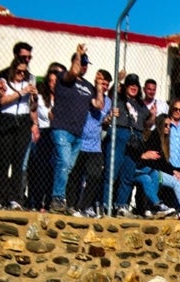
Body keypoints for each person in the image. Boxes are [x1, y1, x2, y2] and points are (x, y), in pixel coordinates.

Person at [49, 44, 104, 213]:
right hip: (62, 129)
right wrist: (79, 55)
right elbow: (73, 72)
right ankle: (57, 199)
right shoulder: (64, 77)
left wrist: (99, 87)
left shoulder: (88, 86)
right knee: (64, 164)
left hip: (77, 134)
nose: (84, 67)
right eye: (82, 63)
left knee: (69, 167)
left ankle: (63, 200)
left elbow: (98, 104)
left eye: (86, 64)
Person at [102, 72, 154, 217]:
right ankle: (106, 204)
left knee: (128, 174)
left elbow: (147, 123)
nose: (133, 87)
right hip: (119, 134)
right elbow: (112, 92)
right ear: (125, 87)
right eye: (130, 85)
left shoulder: (140, 104)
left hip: (135, 139)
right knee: (112, 172)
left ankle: (121, 206)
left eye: (135, 85)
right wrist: (118, 79)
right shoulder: (118, 99)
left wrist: (153, 116)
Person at [131, 113, 180, 219]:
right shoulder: (156, 137)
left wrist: (173, 171)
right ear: (159, 125)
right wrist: (172, 171)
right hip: (152, 170)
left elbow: (163, 162)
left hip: (157, 170)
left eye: (169, 126)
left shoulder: (165, 139)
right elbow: (159, 162)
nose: (168, 128)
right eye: (165, 125)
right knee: (176, 180)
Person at [66, 69, 113, 218]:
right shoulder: (87, 94)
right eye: (102, 83)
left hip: (95, 145)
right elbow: (95, 106)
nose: (104, 86)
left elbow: (103, 120)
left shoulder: (109, 101)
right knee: (75, 175)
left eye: (106, 84)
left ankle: (85, 206)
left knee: (95, 176)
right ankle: (72, 205)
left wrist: (109, 118)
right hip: (80, 141)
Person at [0, 57, 38, 210]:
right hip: (7, 119)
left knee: (18, 163)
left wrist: (34, 97)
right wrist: (21, 92)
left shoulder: (29, 81)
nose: (21, 74)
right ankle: (0, 198)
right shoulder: (4, 81)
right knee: (4, 161)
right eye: (18, 71)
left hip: (23, 121)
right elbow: (2, 101)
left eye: (24, 72)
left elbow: (32, 108)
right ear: (13, 69)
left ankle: (15, 198)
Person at [27, 62, 65, 211]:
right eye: (50, 81)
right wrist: (35, 124)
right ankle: (37, 202)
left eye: (56, 81)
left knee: (53, 170)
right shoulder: (41, 96)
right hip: (43, 134)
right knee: (40, 170)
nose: (52, 84)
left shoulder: (64, 99)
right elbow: (33, 109)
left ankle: (50, 201)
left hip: (58, 136)